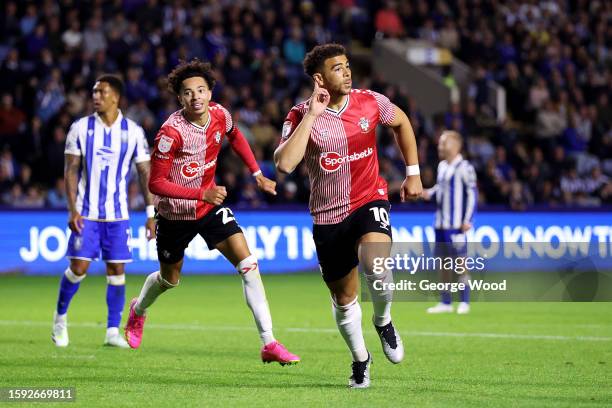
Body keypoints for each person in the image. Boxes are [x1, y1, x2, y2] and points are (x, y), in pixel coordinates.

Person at [124, 59, 300, 365]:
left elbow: (236, 136)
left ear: (210, 92)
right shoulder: (170, 133)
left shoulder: (220, 114)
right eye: (188, 93)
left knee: (249, 265)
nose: (196, 97)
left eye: (201, 90)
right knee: (169, 280)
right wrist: (200, 192)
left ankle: (269, 342)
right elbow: (156, 182)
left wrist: (256, 172)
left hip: (209, 209)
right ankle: (138, 310)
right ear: (180, 98)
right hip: (175, 215)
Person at [274, 44, 422, 388]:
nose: (347, 72)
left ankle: (383, 321)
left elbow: (401, 122)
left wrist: (413, 172)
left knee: (376, 264)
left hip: (370, 199)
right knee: (344, 299)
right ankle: (360, 360)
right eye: (337, 68)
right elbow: (284, 164)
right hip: (328, 218)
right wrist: (312, 114)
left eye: (347, 66)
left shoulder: (371, 101)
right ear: (319, 78)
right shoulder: (299, 115)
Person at [52, 74, 156, 348]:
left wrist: (150, 213)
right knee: (78, 268)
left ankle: (112, 331)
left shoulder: (133, 131)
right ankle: (60, 319)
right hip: (86, 213)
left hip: (118, 214)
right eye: (94, 91)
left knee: (116, 271)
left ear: (116, 97)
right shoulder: (80, 128)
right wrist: (72, 209)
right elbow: (71, 170)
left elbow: (145, 172)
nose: (95, 96)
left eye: (102, 91)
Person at [422, 130, 477, 314]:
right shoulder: (442, 166)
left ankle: (465, 301)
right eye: (439, 143)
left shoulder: (465, 167)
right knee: (443, 265)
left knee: (460, 264)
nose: (440, 146)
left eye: (444, 143)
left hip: (456, 226)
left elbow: (472, 194)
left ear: (456, 146)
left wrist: (468, 219)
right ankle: (445, 302)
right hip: (440, 224)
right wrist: (427, 193)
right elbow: (441, 188)